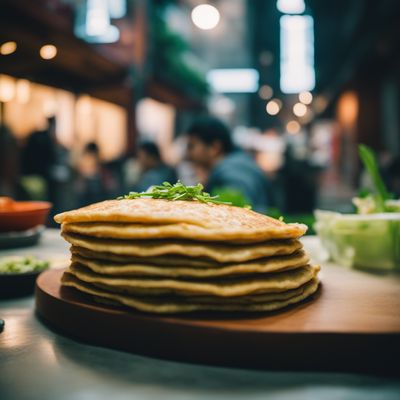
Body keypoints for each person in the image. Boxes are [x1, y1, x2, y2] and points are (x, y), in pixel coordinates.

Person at [185, 116, 269, 212]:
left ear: (214, 147)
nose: (188, 154)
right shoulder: (239, 164)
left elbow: (233, 216)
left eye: (191, 146)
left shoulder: (233, 174)